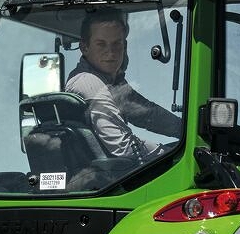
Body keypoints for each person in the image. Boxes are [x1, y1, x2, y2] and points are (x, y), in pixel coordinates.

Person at [65, 11, 183, 160]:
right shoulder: (89, 83)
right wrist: (177, 156)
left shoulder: (112, 83)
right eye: (101, 44)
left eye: (117, 44)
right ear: (84, 47)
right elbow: (124, 147)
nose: (111, 52)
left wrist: (188, 130)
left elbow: (147, 113)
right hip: (110, 179)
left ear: (124, 45)